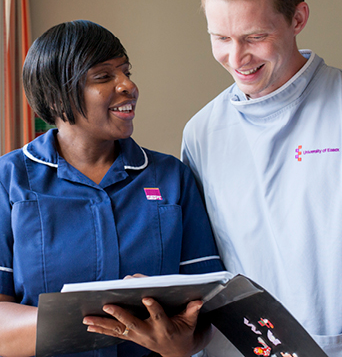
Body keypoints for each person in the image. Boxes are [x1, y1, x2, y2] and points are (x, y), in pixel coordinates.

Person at [0, 20, 223, 357]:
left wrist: (180, 344)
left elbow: (208, 311)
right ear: (57, 99)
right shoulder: (9, 179)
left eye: (126, 71)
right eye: (104, 77)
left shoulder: (172, 178)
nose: (128, 85)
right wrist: (115, 316)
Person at [181, 0, 342, 356]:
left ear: (298, 18)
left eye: (255, 37)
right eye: (220, 38)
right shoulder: (202, 133)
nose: (236, 59)